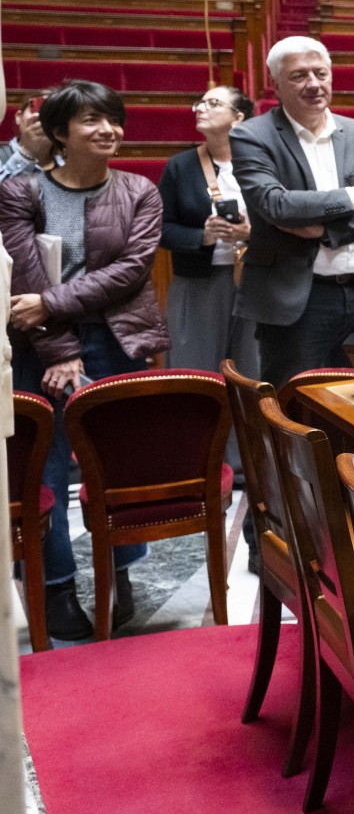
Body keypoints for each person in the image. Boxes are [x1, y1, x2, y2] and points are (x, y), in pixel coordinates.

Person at [0, 80, 168, 641]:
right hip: (39, 346)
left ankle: (120, 574)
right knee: (41, 468)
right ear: (58, 133)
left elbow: (131, 270)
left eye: (113, 119)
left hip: (118, 339)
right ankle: (56, 586)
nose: (108, 130)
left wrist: (51, 304)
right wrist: (60, 347)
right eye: (92, 120)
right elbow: (25, 279)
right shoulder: (22, 192)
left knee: (119, 461)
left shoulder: (139, 190)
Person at [232, 36, 354, 388]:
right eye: (298, 76)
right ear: (277, 84)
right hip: (297, 299)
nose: (313, 83)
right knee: (292, 400)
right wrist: (352, 195)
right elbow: (276, 205)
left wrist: (329, 232)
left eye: (320, 73)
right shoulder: (252, 136)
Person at [158, 85, 259, 376]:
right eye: (199, 103)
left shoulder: (262, 162)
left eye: (213, 103)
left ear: (238, 117)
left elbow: (284, 218)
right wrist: (204, 235)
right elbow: (161, 228)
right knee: (196, 373)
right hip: (198, 283)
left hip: (254, 281)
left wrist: (249, 232)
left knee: (252, 374)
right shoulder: (180, 166)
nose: (201, 108)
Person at [0, 91, 56, 184]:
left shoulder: (71, 160)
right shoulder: (1, 156)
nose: (40, 117)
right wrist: (27, 153)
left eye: (51, 113)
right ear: (18, 117)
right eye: (36, 108)